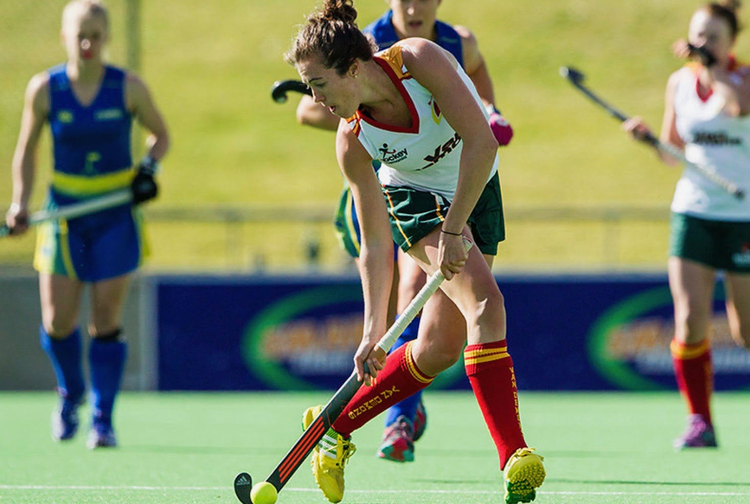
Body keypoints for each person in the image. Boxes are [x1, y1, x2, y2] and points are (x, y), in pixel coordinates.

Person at [285, 1, 545, 502]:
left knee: (439, 349)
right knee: (486, 306)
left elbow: (483, 143)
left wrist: (455, 231)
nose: (314, 100)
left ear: (353, 68)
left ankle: (334, 426)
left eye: (318, 84)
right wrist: (370, 332)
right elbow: (376, 243)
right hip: (416, 201)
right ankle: (515, 458)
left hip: (476, 185)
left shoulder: (419, 60)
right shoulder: (353, 139)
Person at [5, 0, 169, 449]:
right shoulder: (44, 89)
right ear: (64, 37)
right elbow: (27, 151)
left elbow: (161, 135)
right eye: (80, 35)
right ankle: (70, 392)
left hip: (115, 215)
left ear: (106, 38)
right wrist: (19, 203)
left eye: (96, 35)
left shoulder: (128, 88)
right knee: (57, 322)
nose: (87, 44)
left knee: (105, 320)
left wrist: (146, 171)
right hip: (63, 215)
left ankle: (102, 417)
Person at [623, 0, 750, 450]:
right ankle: (700, 420)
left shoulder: (743, 78)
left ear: (730, 42)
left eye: (713, 38)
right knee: (689, 319)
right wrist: (648, 140)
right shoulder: (678, 82)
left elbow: (737, 109)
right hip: (694, 211)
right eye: (698, 36)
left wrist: (714, 69)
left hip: (742, 218)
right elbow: (671, 151)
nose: (703, 44)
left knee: (744, 330)